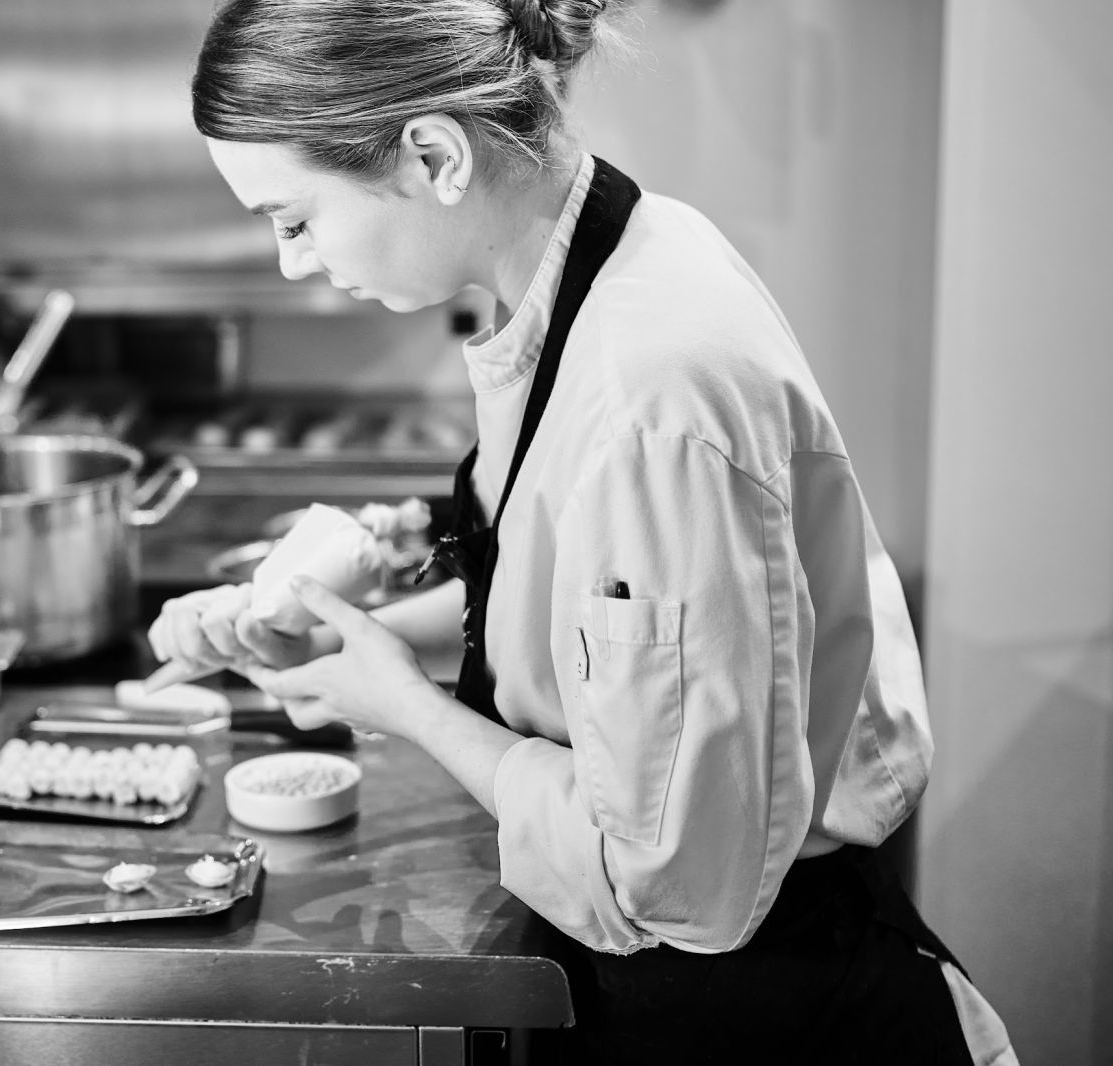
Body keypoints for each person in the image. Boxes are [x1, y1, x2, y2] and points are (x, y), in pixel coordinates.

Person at [151, 1, 1017, 1062]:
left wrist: (409, 708)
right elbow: (596, 632)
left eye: (293, 219)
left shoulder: (651, 395)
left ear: (433, 155)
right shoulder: (604, 264)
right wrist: (355, 643)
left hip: (767, 1004)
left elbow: (675, 874)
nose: (291, 261)